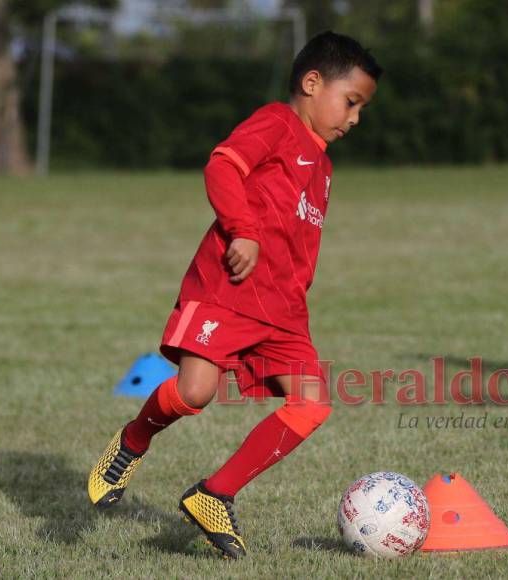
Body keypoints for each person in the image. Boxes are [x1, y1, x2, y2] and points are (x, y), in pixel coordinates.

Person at [87, 31, 381, 559]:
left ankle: (213, 493)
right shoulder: (276, 122)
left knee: (312, 404)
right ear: (312, 83)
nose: (355, 118)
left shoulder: (326, 169)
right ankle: (133, 440)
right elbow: (223, 165)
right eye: (351, 102)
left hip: (284, 310)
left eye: (361, 107)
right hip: (231, 288)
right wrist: (241, 229)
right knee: (195, 392)